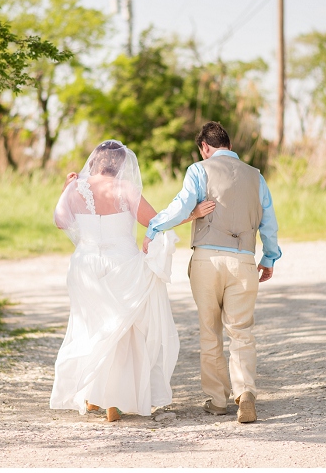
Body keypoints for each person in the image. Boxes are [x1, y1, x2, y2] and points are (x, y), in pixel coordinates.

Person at [50, 140, 214, 422]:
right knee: (123, 331)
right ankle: (114, 402)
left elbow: (60, 221)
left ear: (94, 162)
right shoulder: (125, 189)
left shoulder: (76, 187)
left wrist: (66, 189)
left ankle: (91, 398)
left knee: (92, 326)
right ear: (121, 164)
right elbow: (157, 221)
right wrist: (193, 214)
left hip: (85, 265)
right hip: (122, 263)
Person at [142, 122, 281, 424]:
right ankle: (245, 395)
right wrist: (269, 257)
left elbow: (181, 207)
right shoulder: (256, 177)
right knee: (241, 330)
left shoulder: (198, 170)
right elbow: (269, 222)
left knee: (210, 331)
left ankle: (217, 401)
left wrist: (154, 226)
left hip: (206, 260)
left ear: (204, 147)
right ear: (228, 144)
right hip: (243, 261)